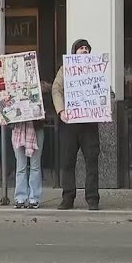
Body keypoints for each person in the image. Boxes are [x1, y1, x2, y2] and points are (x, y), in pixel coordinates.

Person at [52, 39, 101, 210]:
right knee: (67, 162)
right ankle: (68, 197)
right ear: (74, 51)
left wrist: (105, 104)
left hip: (89, 123)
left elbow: (103, 89)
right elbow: (56, 89)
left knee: (92, 161)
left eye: (87, 48)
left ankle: (92, 198)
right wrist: (61, 111)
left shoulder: (97, 67)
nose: (84, 50)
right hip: (69, 123)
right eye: (81, 48)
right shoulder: (65, 69)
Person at [8, 80, 52, 209]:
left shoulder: (40, 87)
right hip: (18, 129)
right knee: (21, 166)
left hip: (35, 128)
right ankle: (20, 197)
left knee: (34, 165)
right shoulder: (13, 87)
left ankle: (34, 197)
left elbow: (47, 105)